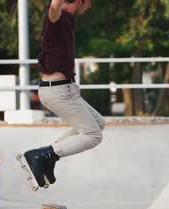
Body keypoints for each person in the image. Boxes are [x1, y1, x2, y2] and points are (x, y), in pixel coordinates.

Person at [19, 0, 105, 190]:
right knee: (93, 135)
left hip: (65, 89)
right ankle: (42, 155)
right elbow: (54, 6)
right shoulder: (55, 17)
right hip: (56, 91)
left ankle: (47, 157)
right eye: (89, 2)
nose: (89, 7)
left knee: (98, 123)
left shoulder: (68, 19)